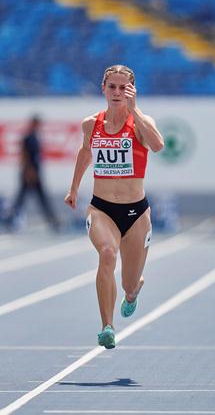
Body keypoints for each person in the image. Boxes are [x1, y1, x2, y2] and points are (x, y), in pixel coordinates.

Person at [64, 65, 164, 349]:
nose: (118, 93)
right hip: (101, 209)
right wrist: (73, 188)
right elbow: (85, 152)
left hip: (136, 213)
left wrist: (136, 110)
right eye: (113, 87)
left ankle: (132, 292)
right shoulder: (91, 124)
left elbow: (157, 145)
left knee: (129, 284)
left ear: (132, 90)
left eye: (124, 87)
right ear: (103, 89)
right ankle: (107, 326)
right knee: (107, 254)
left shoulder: (141, 122)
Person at [5, 115, 61, 232]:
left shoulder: (35, 137)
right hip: (30, 172)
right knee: (29, 198)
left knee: (30, 198)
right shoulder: (28, 138)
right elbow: (25, 155)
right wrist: (29, 171)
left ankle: (53, 221)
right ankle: (53, 221)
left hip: (34, 171)